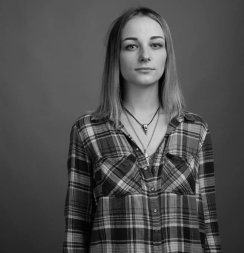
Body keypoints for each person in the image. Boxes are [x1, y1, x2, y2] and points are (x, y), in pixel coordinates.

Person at [63, 6, 221, 253]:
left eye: (156, 45)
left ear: (167, 54)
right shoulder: (87, 132)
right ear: (116, 55)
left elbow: (208, 229)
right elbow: (76, 232)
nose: (145, 56)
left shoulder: (196, 130)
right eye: (131, 46)